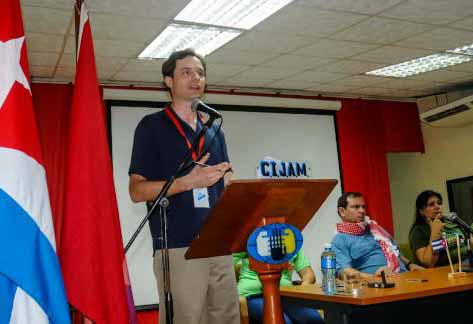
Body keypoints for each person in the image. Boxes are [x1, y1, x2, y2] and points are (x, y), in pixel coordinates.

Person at [128, 49, 239, 324]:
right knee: (188, 318)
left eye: (200, 73)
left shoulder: (214, 128)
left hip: (219, 243)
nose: (195, 78)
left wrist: (237, 188)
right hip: (178, 245)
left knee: (227, 318)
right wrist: (188, 182)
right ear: (168, 81)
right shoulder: (152, 126)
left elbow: (224, 179)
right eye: (186, 72)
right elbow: (137, 191)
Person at [331, 192, 423, 278]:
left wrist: (410, 265)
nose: (362, 210)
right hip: (377, 285)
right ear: (342, 211)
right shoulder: (340, 239)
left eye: (363, 207)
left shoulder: (375, 229)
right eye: (356, 207)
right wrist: (376, 277)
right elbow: (345, 271)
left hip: (404, 276)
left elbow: (396, 253)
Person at [233, 250, 324, 324]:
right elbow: (228, 269)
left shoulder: (290, 240)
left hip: (286, 295)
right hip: (253, 295)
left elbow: (308, 274)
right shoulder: (249, 240)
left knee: (313, 319)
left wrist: (302, 290)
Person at [409, 190, 473, 268]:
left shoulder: (450, 221)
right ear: (422, 211)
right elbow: (429, 262)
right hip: (446, 271)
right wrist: (435, 233)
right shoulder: (418, 230)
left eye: (439, 203)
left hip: (468, 262)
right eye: (431, 204)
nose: (437, 206)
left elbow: (467, 241)